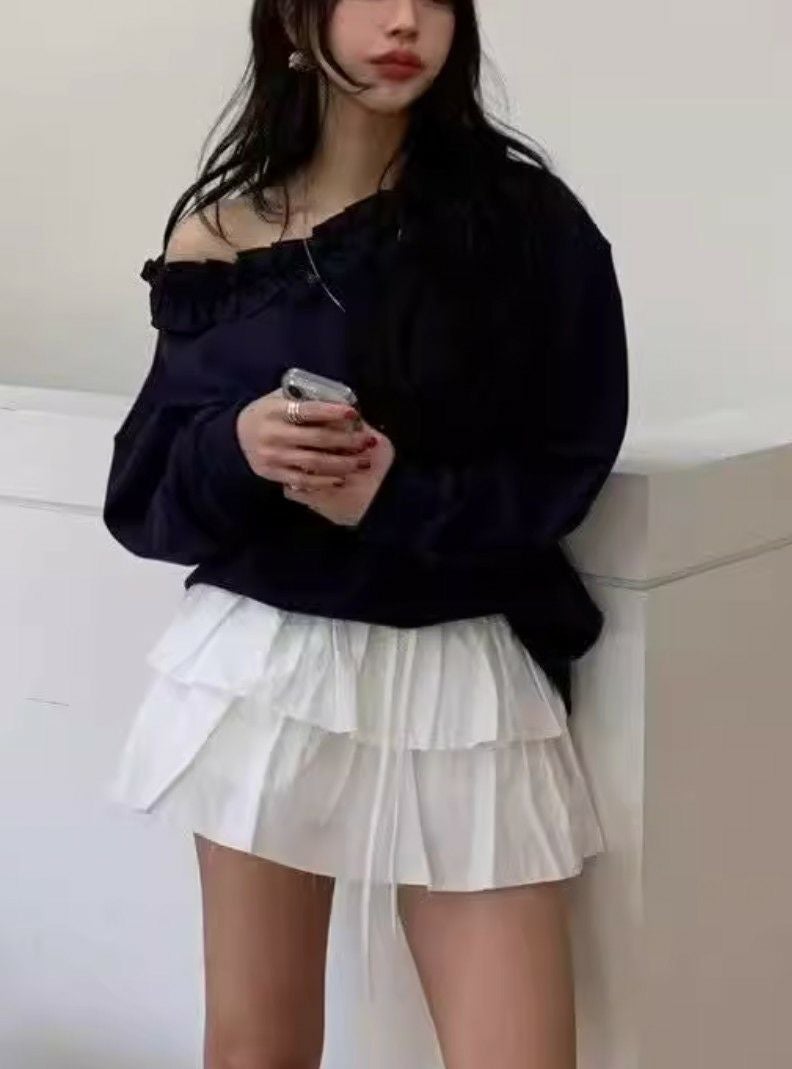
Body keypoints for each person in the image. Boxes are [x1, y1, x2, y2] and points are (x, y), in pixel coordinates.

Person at [102, 0, 629, 1066]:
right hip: (269, 667)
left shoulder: (524, 224)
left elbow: (568, 453)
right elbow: (143, 489)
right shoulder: (218, 238)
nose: (404, 22)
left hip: (462, 672)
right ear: (295, 23)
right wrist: (240, 443)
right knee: (256, 1050)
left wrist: (397, 499)